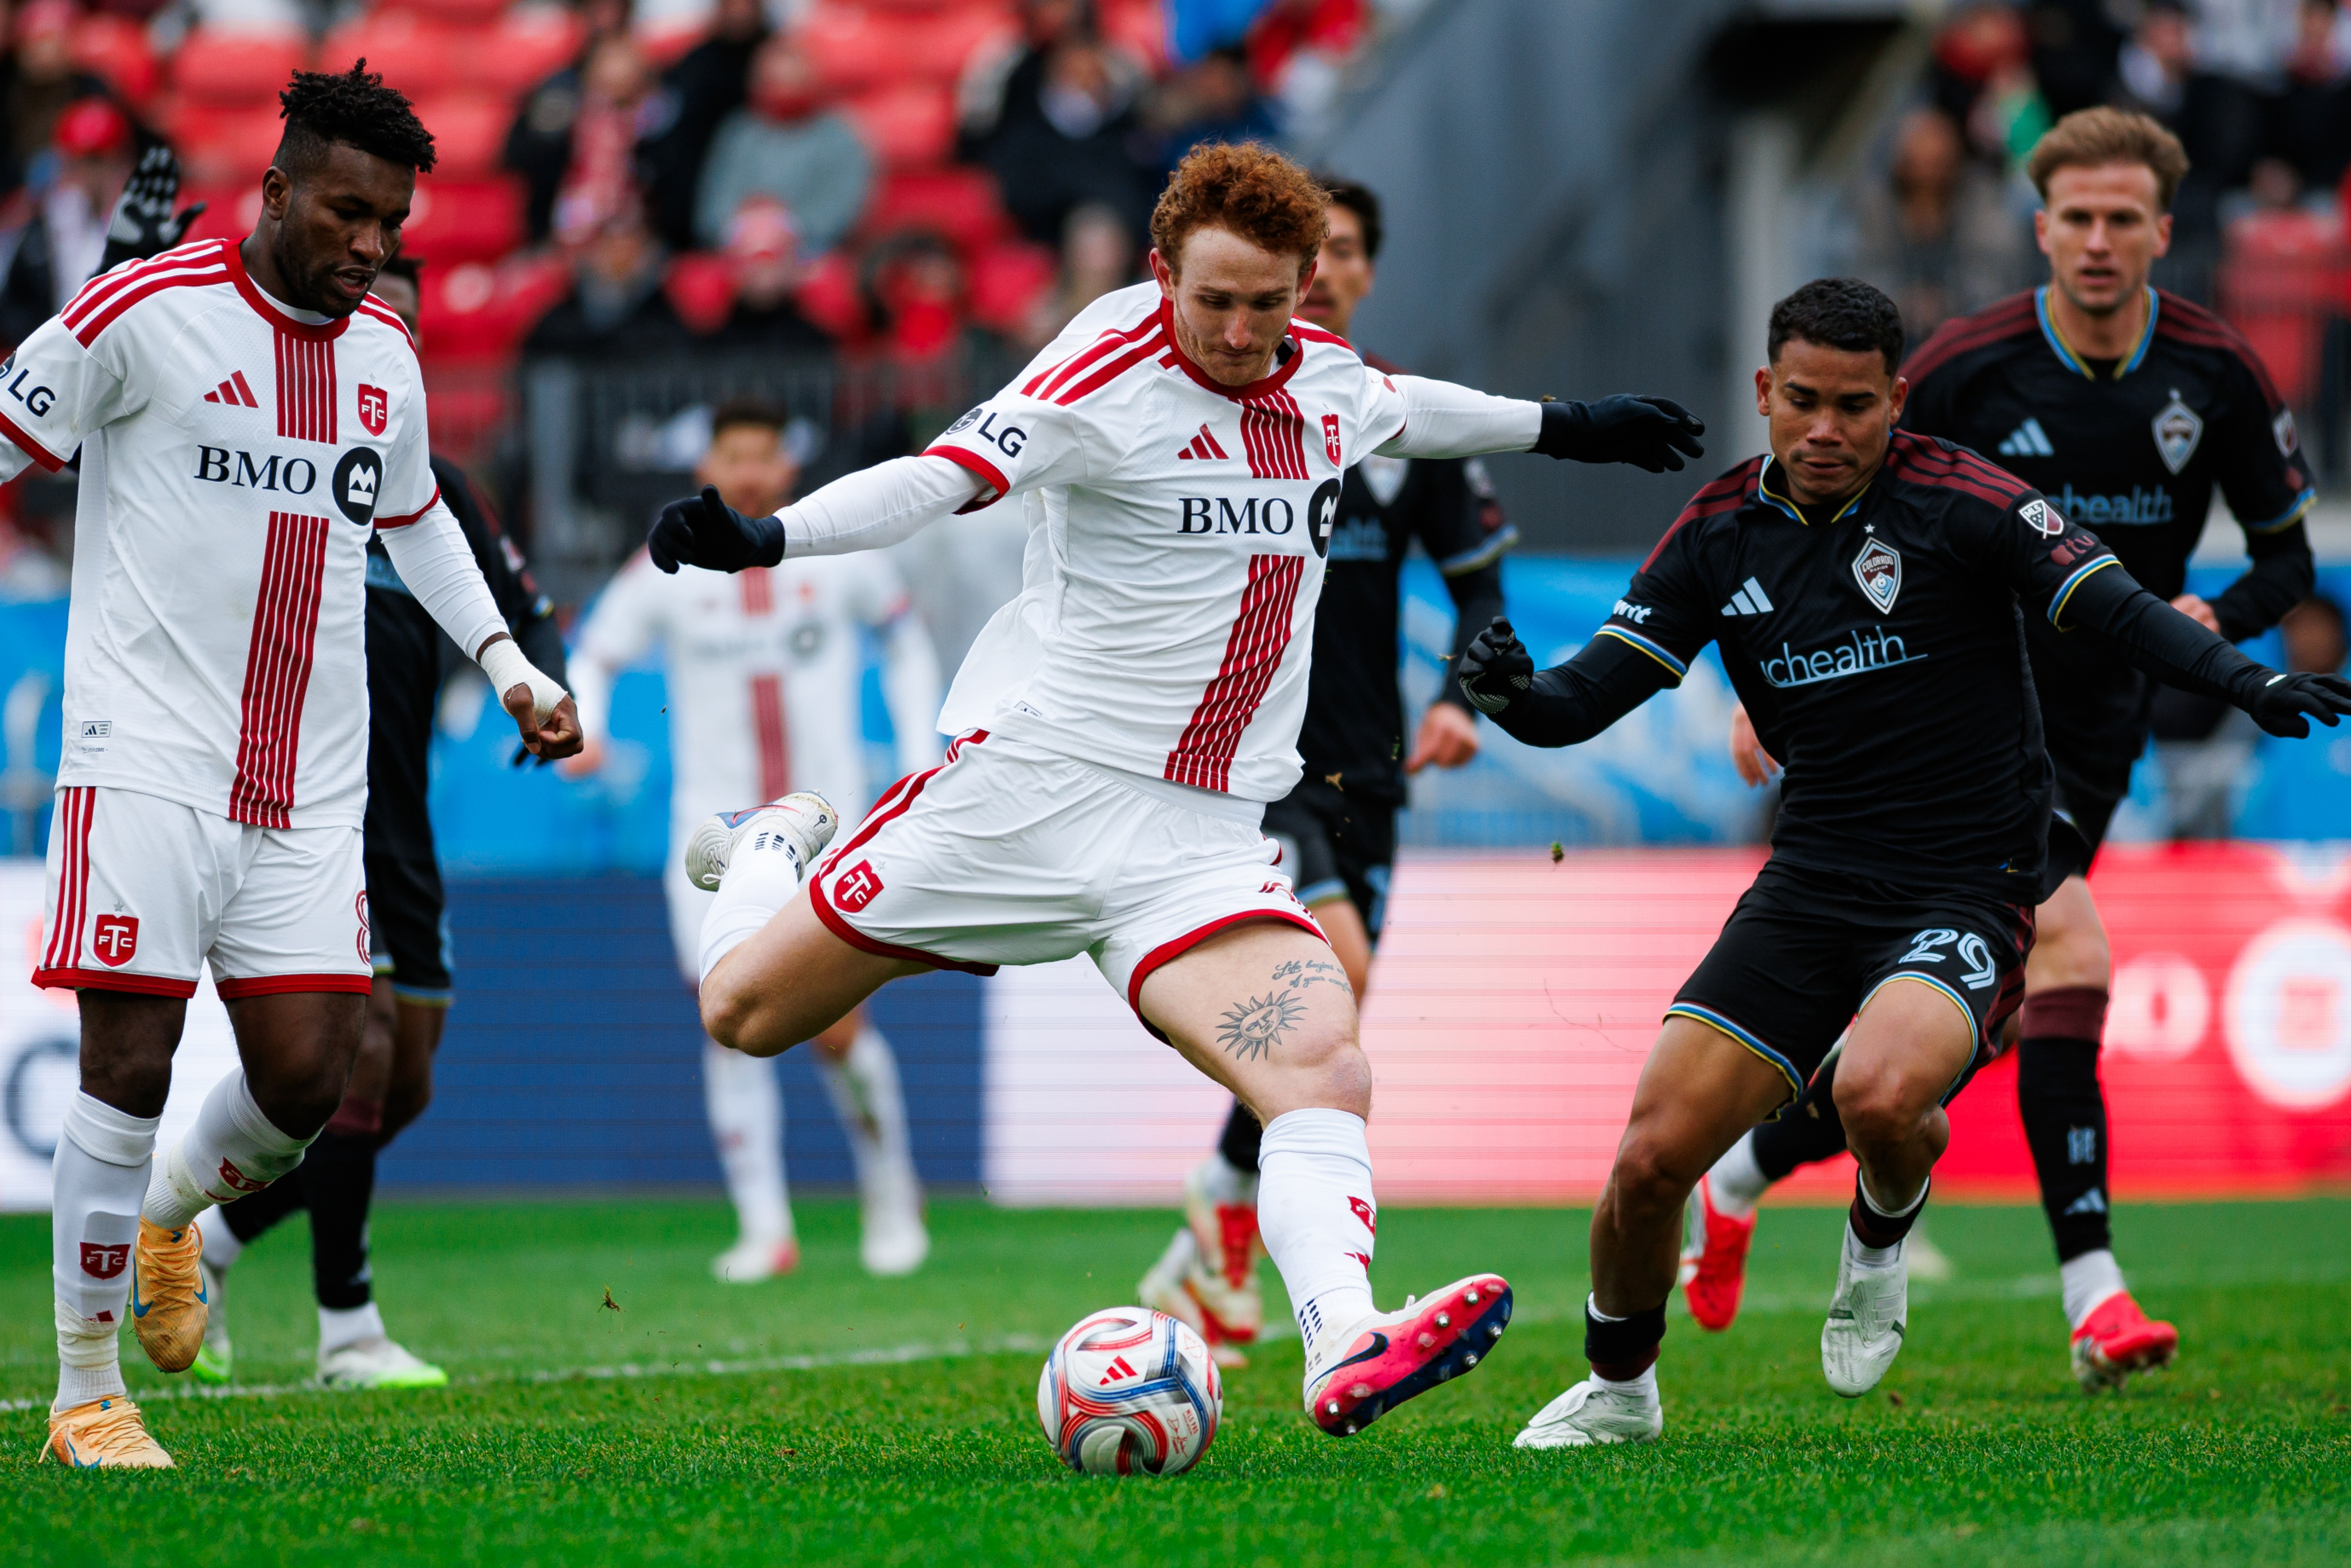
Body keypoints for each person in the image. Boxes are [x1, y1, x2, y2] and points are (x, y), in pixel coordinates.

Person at [644, 141, 1707, 1438]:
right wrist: (773, 535)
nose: (1243, 331)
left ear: (1305, 282)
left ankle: (1342, 1341)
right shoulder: (1106, 364)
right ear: (1162, 276)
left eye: (1270, 302)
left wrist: (1571, 427)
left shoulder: (1320, 379)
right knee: (741, 1010)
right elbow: (943, 475)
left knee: (1323, 1065)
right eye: (1214, 301)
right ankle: (773, 843)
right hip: (1032, 793)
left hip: (1198, 838)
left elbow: (1411, 404)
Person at [1461, 276, 2350, 1450]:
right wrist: (1516, 698)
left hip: (1966, 878)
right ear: (1763, 392)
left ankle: (1877, 1238)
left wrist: (2245, 679)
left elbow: (2116, 609)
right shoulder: (1717, 528)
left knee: (1881, 1089)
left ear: (1895, 402)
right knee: (1646, 1159)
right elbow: (1594, 691)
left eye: (1853, 406)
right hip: (1808, 880)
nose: (1823, 430)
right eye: (1802, 403)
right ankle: (1619, 1387)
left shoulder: (1965, 501)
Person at [1688, 108, 2317, 1394]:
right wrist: (1770, 689)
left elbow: (2286, 560)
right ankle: (2091, 1293)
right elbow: (1816, 507)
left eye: (2120, 218)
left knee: (1974, 1025)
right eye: (2073, 218)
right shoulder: (1970, 364)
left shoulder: (2216, 372)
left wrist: (2219, 617)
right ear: (2038, 228)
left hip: (2096, 726)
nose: (2095, 240)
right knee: (2065, 947)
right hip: (1957, 705)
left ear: (2158, 230)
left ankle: (1744, 1169)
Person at [21, 64, 580, 1469]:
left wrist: (510, 664)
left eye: (388, 222)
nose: (369, 246)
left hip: (309, 789)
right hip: (143, 755)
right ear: (272, 192)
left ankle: (166, 1217)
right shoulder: (141, 312)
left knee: (310, 1081)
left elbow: (420, 520)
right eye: (344, 213)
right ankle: (86, 1394)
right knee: (128, 1057)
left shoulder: (383, 355)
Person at [1135, 175, 1516, 1367]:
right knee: (1331, 969)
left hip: (1365, 762)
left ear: (1347, 273)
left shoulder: (1398, 419)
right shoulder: (1192, 402)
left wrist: (1461, 695)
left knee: (1323, 1012)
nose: (1330, 272)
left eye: (1346, 252)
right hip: (1248, 757)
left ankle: (1217, 1203)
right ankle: (1274, 1248)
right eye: (1320, 251)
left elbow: (1479, 586)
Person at [192, 255, 572, 1390]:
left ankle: (204, 1242)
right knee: (355, 1063)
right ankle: (346, 1330)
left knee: (401, 1086)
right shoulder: (273, 463)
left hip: (403, 818)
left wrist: (545, 691)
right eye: (367, 319)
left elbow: (528, 612)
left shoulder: (439, 489)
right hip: (303, 805)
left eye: (402, 327)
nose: (383, 340)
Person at [565, 400, 942, 1282]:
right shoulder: (672, 564)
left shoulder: (834, 548)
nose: (745, 472)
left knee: (839, 1029)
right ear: (710, 461)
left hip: (827, 828)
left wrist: (921, 752)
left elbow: (906, 641)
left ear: (783, 469)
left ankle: (891, 1194)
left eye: (760, 457)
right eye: (730, 455)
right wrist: (580, 718)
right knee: (726, 1022)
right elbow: (597, 647)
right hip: (712, 841)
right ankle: (764, 1228)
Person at [692, 33, 873, 258]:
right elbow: (713, 207)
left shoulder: (840, 136)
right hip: (740, 253)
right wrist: (744, 230)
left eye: (793, 82)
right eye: (775, 82)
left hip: (812, 253)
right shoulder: (739, 132)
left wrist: (787, 228)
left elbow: (844, 208)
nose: (784, 92)